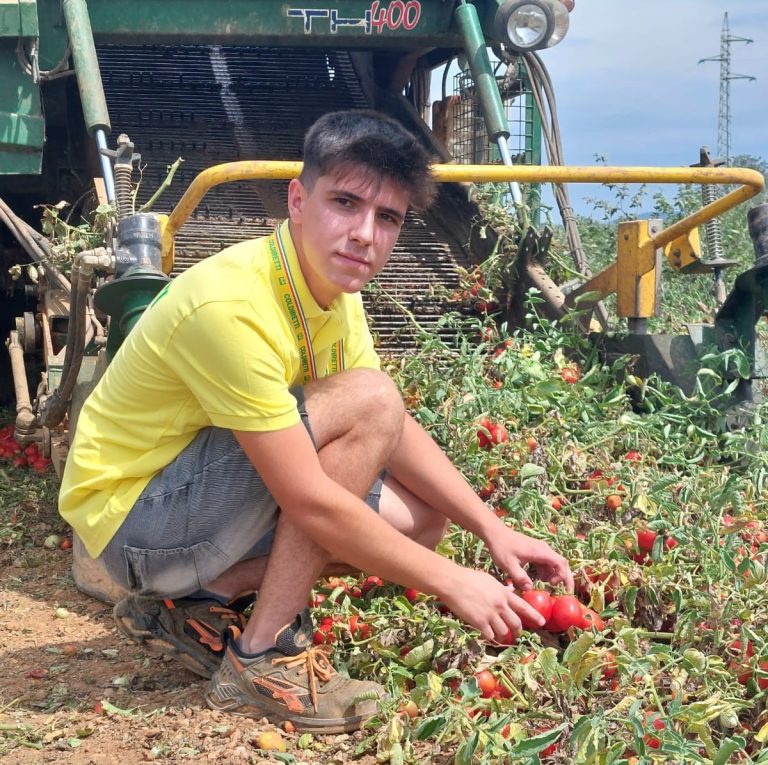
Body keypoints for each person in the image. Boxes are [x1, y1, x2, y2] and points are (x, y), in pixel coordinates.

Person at [59, 110, 573, 733]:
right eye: (346, 203)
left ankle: (198, 600)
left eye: (387, 217)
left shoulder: (332, 290)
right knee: (370, 402)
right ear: (298, 200)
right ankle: (262, 659)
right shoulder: (233, 306)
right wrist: (453, 584)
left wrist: (491, 530)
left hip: (189, 509)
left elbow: (394, 432)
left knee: (421, 524)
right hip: (138, 522)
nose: (364, 233)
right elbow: (313, 490)